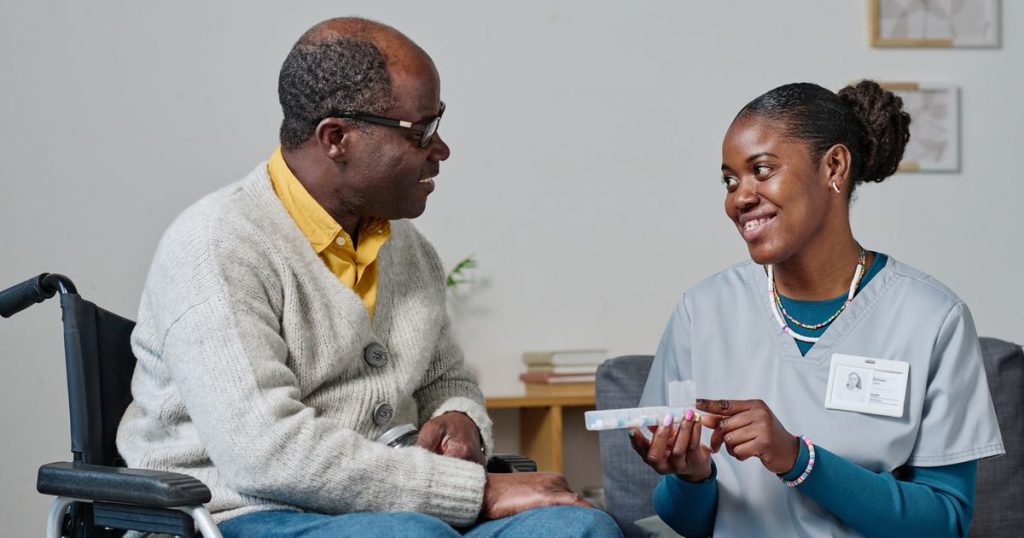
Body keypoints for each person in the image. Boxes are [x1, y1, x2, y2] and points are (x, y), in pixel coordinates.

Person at [116, 17, 619, 537]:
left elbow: (447, 380)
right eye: (422, 130)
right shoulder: (217, 245)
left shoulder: (406, 249)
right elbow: (266, 453)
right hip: (240, 513)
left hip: (395, 513)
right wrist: (481, 491)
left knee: (580, 529)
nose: (441, 149)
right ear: (337, 138)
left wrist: (461, 420)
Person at [630, 81, 1004, 537]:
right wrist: (691, 477)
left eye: (761, 170)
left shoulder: (932, 319)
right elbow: (686, 522)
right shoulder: (701, 311)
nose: (739, 198)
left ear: (834, 166)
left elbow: (945, 523)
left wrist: (799, 459)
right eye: (730, 180)